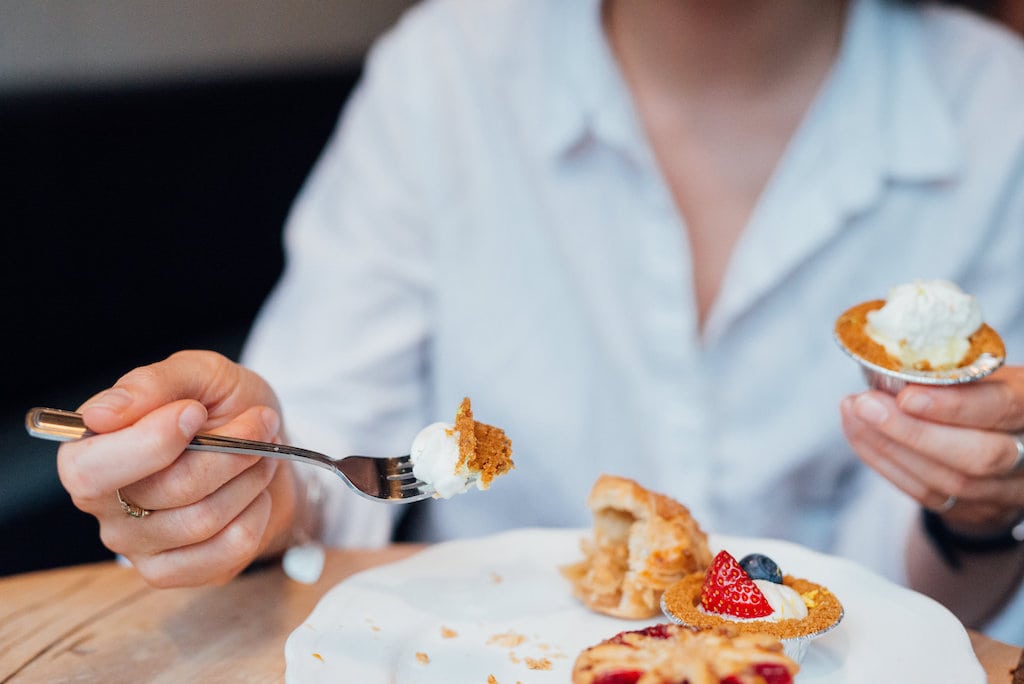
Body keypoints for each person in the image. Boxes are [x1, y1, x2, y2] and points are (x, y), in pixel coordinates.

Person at [56, 0, 1024, 644]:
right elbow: (322, 449)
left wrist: (979, 513)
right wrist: (237, 482)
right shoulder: (447, 73)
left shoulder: (997, 117)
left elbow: (921, 605)